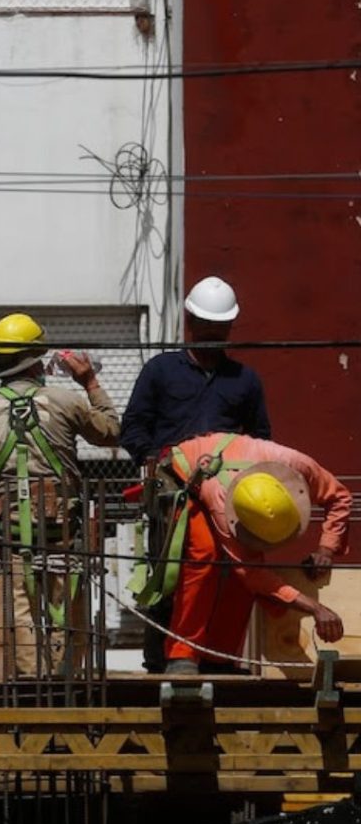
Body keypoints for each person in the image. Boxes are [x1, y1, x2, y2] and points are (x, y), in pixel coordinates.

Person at [0, 313, 120, 675]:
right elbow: (110, 432)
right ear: (37, 358)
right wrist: (90, 380)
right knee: (68, 609)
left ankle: (28, 685)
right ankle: (66, 682)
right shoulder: (65, 401)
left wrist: (5, 480)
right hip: (64, 531)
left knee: (18, 614)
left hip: (11, 535)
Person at [121, 275, 271, 671]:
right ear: (190, 321)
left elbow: (261, 438)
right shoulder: (161, 371)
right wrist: (154, 460)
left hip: (228, 494)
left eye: (221, 328)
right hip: (172, 491)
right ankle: (164, 658)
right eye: (208, 326)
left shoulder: (244, 381)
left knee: (227, 574)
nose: (214, 334)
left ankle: (217, 658)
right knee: (169, 573)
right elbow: (133, 426)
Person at [157, 432, 348, 674]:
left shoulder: (297, 465)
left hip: (221, 473)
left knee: (240, 578)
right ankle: (181, 655)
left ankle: (218, 659)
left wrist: (326, 549)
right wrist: (315, 608)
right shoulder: (222, 504)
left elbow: (339, 498)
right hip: (181, 475)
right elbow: (253, 575)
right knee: (204, 554)